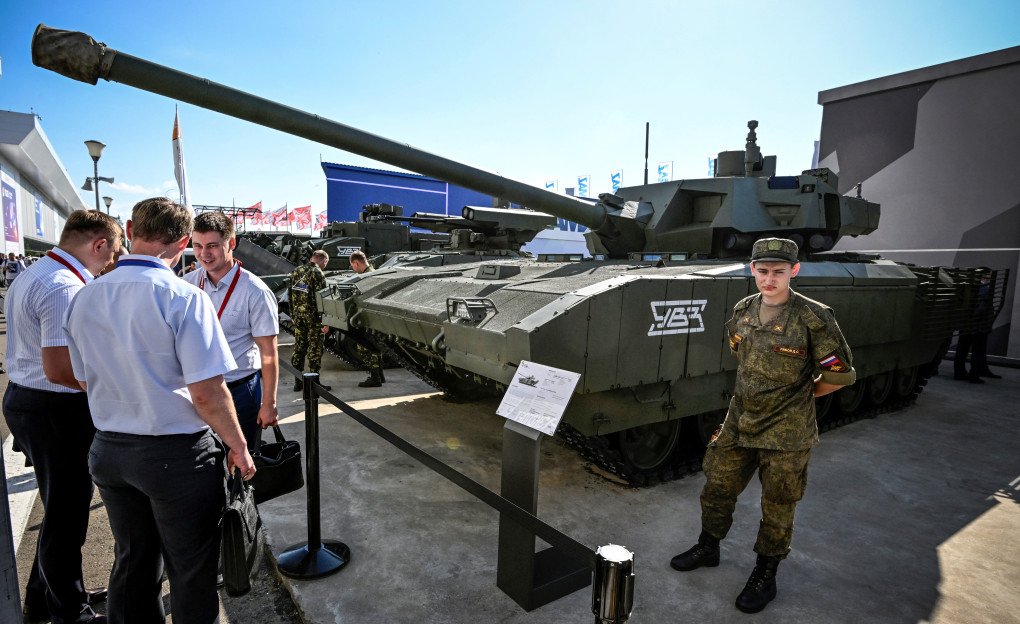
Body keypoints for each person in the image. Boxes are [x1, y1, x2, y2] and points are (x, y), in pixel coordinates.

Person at [63, 197, 255, 623]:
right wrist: (238, 446)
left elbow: (82, 378)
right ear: (185, 241)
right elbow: (207, 392)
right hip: (176, 456)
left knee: (133, 561)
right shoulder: (184, 298)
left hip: (111, 449)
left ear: (130, 229)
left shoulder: (84, 298)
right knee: (190, 570)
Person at [670, 238, 856, 614]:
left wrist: (798, 397)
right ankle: (709, 547)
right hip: (740, 420)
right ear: (752, 270)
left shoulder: (814, 317)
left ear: (794, 271)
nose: (770, 280)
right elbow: (741, 354)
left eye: (779, 272)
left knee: (778, 503)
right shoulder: (744, 309)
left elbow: (840, 375)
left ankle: (765, 573)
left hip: (788, 431)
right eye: (763, 271)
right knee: (717, 487)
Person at [3, 210, 123, 623]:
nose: (110, 263)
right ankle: (72, 611)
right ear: (99, 244)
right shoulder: (63, 287)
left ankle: (44, 600)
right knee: (67, 515)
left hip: (32, 401)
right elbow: (60, 369)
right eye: (113, 252)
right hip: (55, 407)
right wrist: (113, 389)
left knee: (61, 507)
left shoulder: (36, 273)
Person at [186, 211, 280, 451]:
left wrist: (268, 403)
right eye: (197, 246)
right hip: (194, 391)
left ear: (232, 243)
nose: (204, 254)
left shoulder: (255, 291)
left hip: (239, 392)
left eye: (213, 246)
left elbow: (268, 352)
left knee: (240, 466)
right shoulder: (186, 285)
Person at [288, 250, 331, 392]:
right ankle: (315, 384)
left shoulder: (296, 271)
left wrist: (293, 315)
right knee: (315, 349)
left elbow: (289, 295)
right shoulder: (317, 273)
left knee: (299, 348)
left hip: (298, 318)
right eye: (326, 262)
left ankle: (298, 381)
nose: (325, 265)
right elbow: (323, 298)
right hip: (314, 319)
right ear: (323, 260)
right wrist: (326, 321)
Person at [954, 269, 1001, 383]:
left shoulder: (967, 286)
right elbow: (982, 307)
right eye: (988, 275)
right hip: (979, 323)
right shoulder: (985, 288)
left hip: (966, 322)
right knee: (977, 349)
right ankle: (974, 374)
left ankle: (959, 372)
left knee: (962, 348)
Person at [349, 250, 385, 388]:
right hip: (371, 317)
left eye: (353, 266)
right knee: (374, 347)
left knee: (366, 348)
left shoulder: (367, 277)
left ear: (356, 263)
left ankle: (375, 377)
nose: (353, 269)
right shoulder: (373, 272)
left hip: (368, 318)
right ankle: (379, 375)